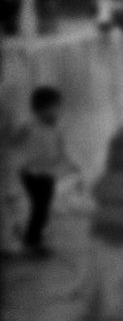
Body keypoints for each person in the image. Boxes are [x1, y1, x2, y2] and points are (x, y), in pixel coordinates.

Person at [10, 85, 83, 258]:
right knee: (39, 208)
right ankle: (31, 242)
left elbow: (62, 151)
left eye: (57, 108)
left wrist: (73, 166)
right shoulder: (29, 127)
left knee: (42, 208)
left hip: (47, 175)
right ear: (38, 110)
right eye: (52, 108)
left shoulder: (57, 129)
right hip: (31, 174)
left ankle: (28, 234)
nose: (56, 112)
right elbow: (13, 141)